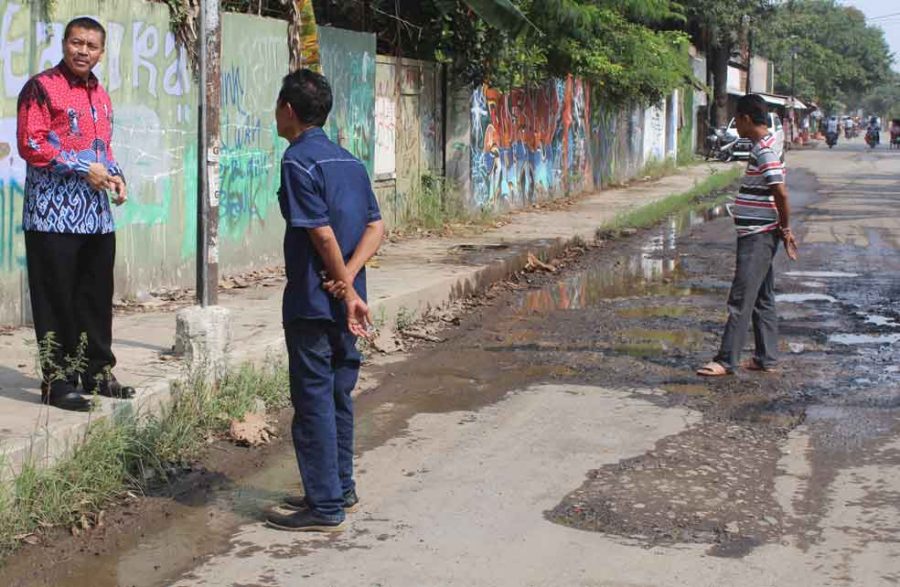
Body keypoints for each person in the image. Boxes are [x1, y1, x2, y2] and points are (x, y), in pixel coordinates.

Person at [265, 69, 384, 532]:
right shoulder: (349, 162)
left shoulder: (297, 161)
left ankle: (325, 507)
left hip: (315, 303)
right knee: (339, 394)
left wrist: (342, 283)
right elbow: (376, 226)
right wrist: (352, 284)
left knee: (314, 399)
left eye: (278, 106)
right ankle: (340, 488)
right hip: (348, 304)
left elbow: (320, 232)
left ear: (288, 111)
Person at [16, 17, 134, 411]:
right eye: (76, 42)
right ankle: (59, 380)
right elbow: (31, 144)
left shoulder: (101, 95)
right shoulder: (41, 88)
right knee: (57, 300)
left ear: (101, 52)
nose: (83, 51)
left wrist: (117, 177)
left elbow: (104, 150)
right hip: (52, 216)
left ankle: (97, 372)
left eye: (91, 46)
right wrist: (85, 169)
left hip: (96, 218)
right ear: (64, 44)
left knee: (96, 298)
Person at [697, 94, 798, 377]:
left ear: (745, 118)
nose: (737, 127)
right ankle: (766, 357)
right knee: (763, 297)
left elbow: (780, 191)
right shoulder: (766, 145)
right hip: (760, 232)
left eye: (737, 119)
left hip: (759, 235)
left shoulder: (764, 149)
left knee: (741, 298)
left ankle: (726, 360)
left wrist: (785, 229)